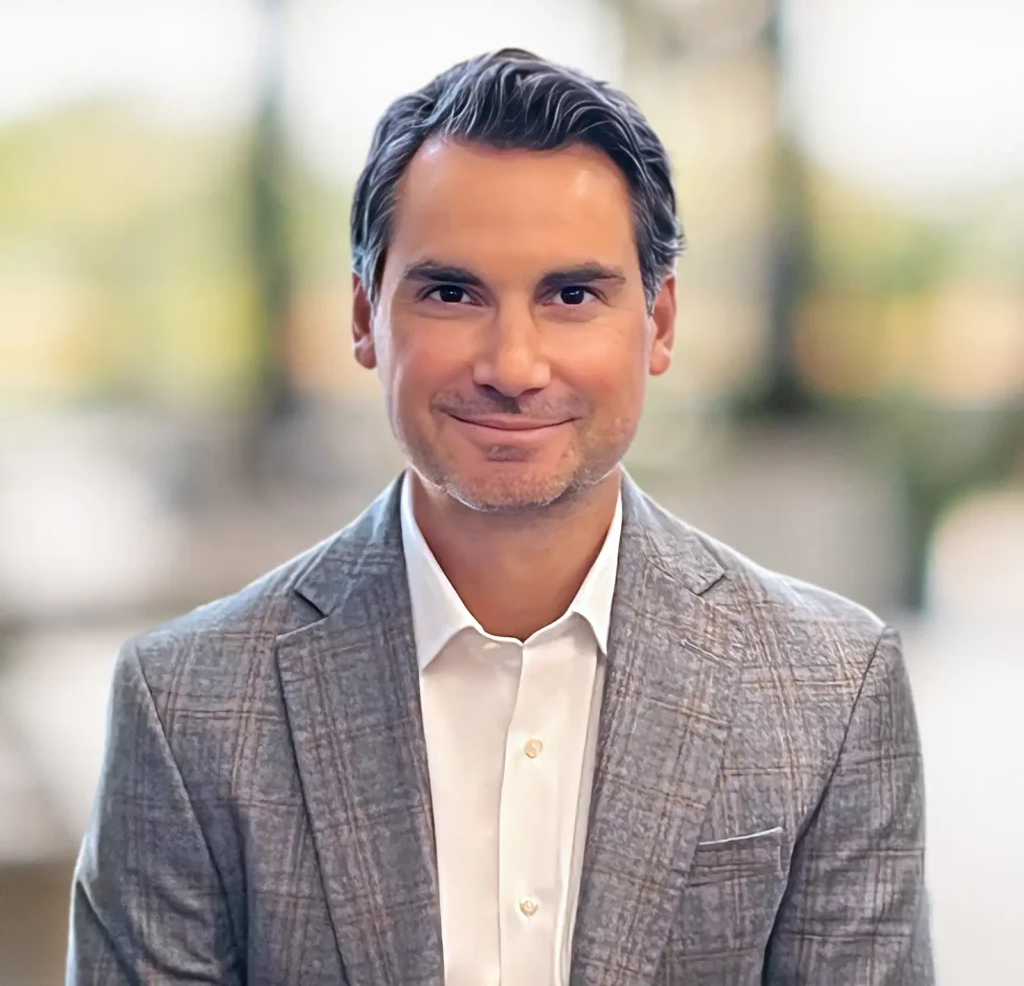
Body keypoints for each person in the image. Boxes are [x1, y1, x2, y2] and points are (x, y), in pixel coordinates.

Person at [67, 48, 934, 985]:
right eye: (451, 293)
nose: (513, 366)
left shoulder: (831, 690)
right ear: (364, 319)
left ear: (662, 323)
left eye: (572, 296)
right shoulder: (187, 705)